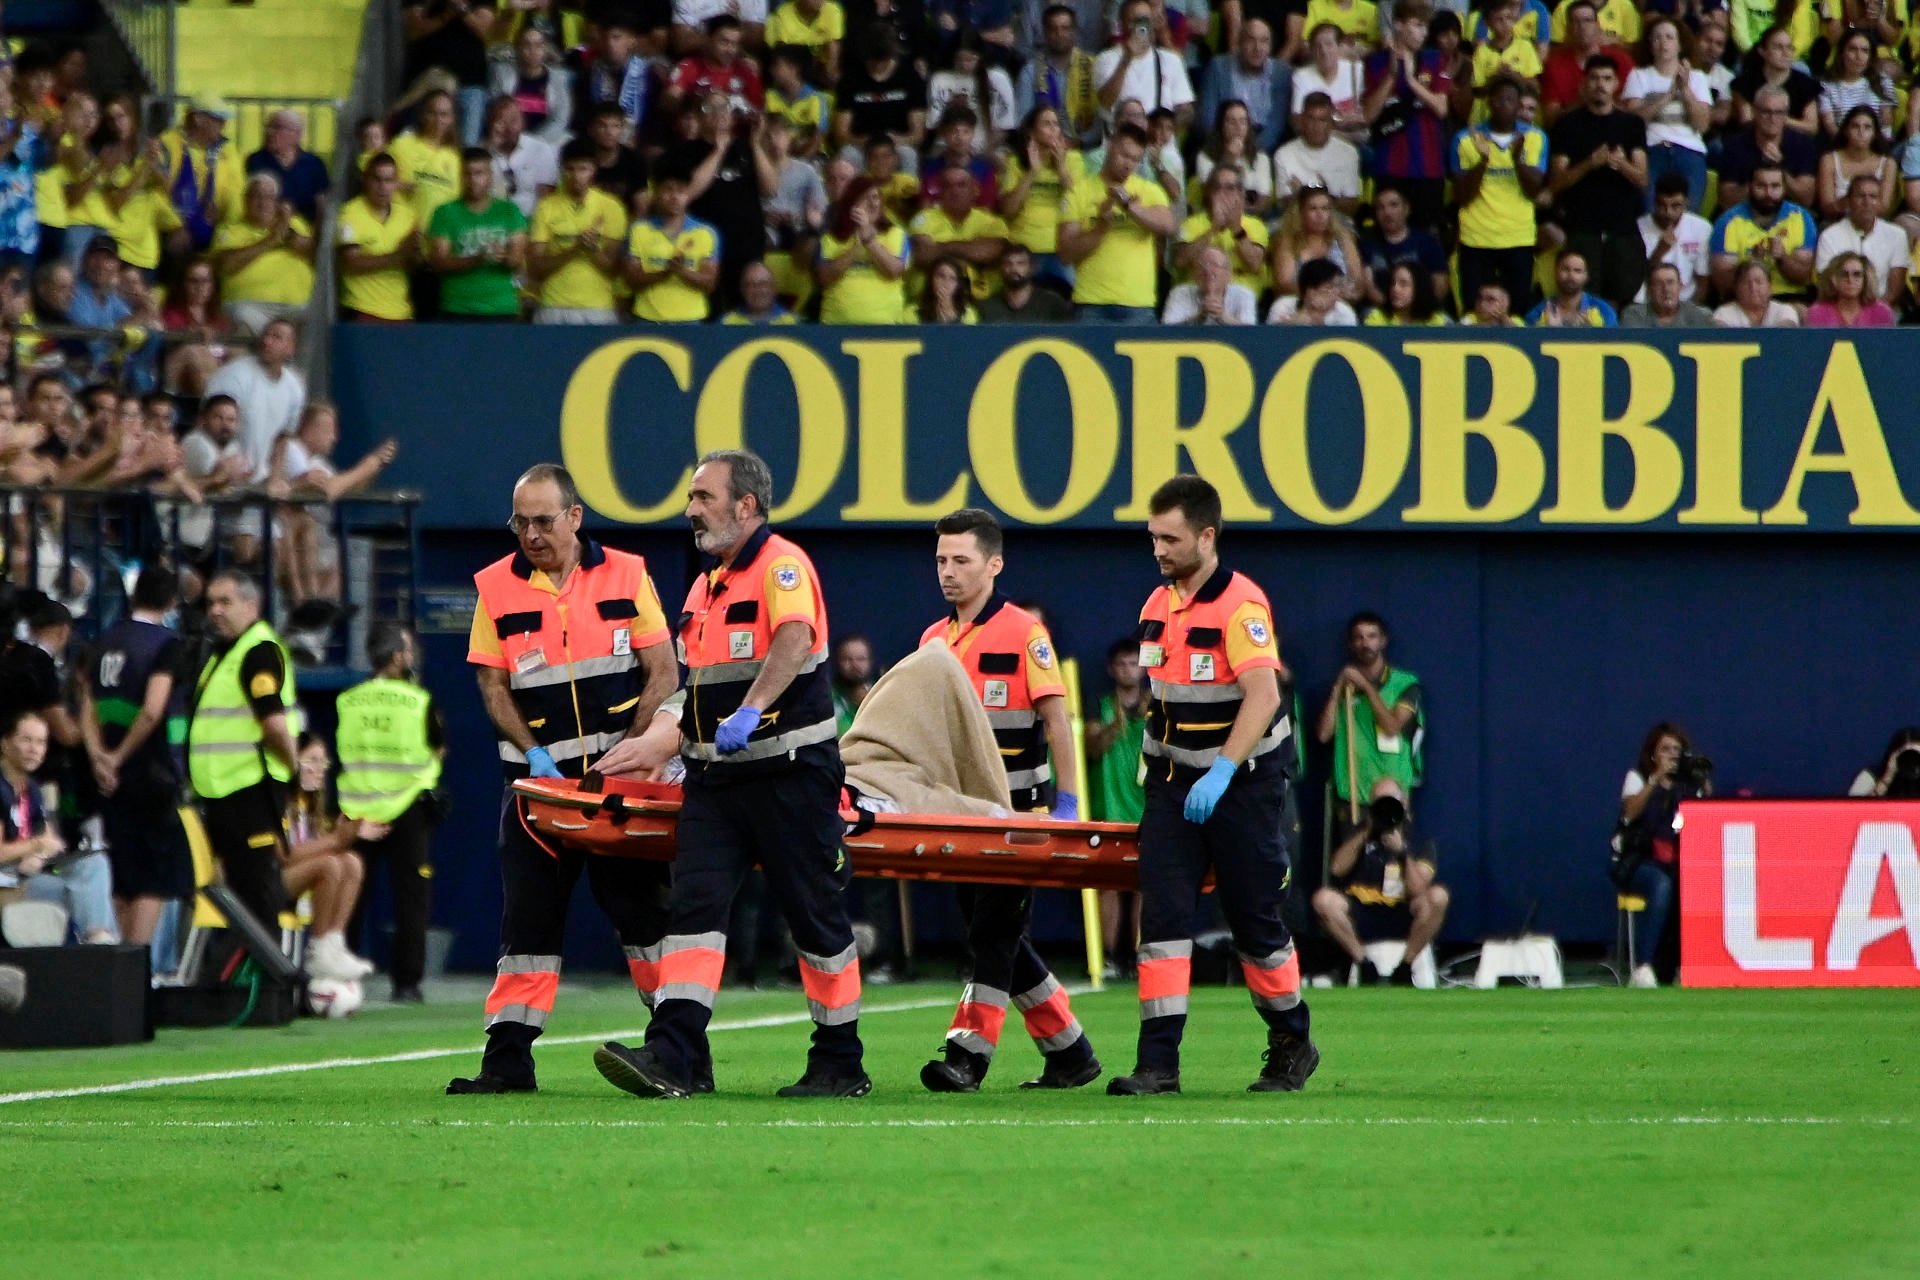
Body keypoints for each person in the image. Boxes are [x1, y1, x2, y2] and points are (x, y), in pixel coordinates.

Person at [594, 449, 873, 1100]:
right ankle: (674, 1055)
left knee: (813, 918)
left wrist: (750, 712)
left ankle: (840, 1060)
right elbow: (694, 689)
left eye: (703, 497)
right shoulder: (705, 586)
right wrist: (663, 744)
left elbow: (795, 638)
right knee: (693, 911)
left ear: (746, 506)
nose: (690, 510)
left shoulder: (782, 564)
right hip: (715, 781)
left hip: (790, 772)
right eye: (692, 498)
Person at [447, 463, 679, 1095]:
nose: (530, 534)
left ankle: (677, 1045)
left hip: (615, 787)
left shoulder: (627, 573)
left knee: (642, 912)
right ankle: (508, 1060)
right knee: (528, 922)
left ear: (575, 517)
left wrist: (634, 747)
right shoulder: (495, 586)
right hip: (537, 790)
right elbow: (492, 684)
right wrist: (533, 752)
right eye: (519, 522)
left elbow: (663, 669)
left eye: (543, 520)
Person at [1107, 475, 1318, 1096]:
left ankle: (1291, 1040)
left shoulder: (1241, 606)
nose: (1159, 550)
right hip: (1174, 787)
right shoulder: (1156, 606)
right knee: (1164, 925)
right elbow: (1160, 697)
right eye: (1152, 538)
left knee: (1255, 922)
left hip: (1244, 785)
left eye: (1170, 539)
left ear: (1206, 535)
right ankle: (1157, 1064)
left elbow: (1263, 694)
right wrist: (1156, 769)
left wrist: (1224, 769)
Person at [916, 507, 1098, 1093]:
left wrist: (1066, 803)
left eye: (961, 560)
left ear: (994, 564)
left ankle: (967, 1055)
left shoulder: (1024, 632)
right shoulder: (932, 640)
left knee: (991, 933)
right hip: (963, 815)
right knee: (999, 936)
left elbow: (1057, 719)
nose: (948, 571)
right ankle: (1070, 1051)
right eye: (941, 559)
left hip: (1020, 816)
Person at [77, 565, 192, 955]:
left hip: (107, 781)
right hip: (151, 775)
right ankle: (136, 967)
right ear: (172, 601)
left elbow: (87, 706)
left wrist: (99, 759)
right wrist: (120, 757)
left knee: (121, 874)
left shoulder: (103, 641)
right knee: (153, 879)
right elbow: (152, 710)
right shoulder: (167, 645)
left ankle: (117, 970)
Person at [186, 571, 302, 938]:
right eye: (211, 603)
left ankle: (269, 991)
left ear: (252, 605)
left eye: (226, 602)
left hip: (249, 793)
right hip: (224, 794)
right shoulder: (227, 653)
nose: (215, 611)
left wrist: (293, 769)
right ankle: (245, 987)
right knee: (238, 896)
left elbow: (274, 724)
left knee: (256, 895)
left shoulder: (258, 651)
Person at [334, 623, 444, 1003]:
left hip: (358, 808)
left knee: (347, 894)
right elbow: (437, 747)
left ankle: (337, 975)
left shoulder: (347, 699)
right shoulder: (417, 701)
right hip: (407, 805)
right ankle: (407, 983)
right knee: (411, 898)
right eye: (407, 651)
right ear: (398, 656)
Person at [1, 708, 117, 943]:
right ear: (5, 744)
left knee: (94, 865)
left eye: (41, 742)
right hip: (7, 882)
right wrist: (35, 846)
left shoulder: (31, 788)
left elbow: (50, 841)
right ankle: (101, 946)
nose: (34, 749)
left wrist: (39, 854)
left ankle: (101, 939)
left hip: (30, 873)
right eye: (26, 740)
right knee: (81, 894)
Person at [1316, 778, 1448, 984]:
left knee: (1439, 897)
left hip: (1402, 911)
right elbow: (1337, 870)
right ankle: (1364, 964)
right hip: (1363, 911)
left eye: (1391, 801)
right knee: (1323, 900)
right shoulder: (1359, 831)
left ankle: (1405, 967)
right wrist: (1366, 832)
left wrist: (1402, 852)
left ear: (1403, 802)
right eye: (1379, 801)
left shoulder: (1419, 837)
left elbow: (1419, 890)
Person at [1549, 56, 1649, 310]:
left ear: (1616, 83)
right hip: (1582, 224)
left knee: (1623, 293)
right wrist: (1589, 164)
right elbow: (1557, 182)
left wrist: (1620, 163)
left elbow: (1642, 179)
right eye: (1594, 78)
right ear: (1584, 83)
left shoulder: (1632, 125)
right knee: (1583, 296)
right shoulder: (1566, 124)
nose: (1600, 85)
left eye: (1606, 79)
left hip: (1622, 224)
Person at [1316, 610, 1423, 839]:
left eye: (1372, 636)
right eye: (1358, 637)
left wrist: (1366, 687)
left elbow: (1393, 727)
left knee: (1393, 868)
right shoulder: (1345, 689)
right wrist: (1336, 691)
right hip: (1353, 797)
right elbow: (1324, 735)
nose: (1365, 643)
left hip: (1392, 796)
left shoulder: (1405, 684)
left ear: (1383, 640)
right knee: (1352, 872)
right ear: (1351, 643)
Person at [1055, 122, 1172, 322]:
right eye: (1124, 155)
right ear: (1109, 147)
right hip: (1091, 303)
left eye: (1135, 159)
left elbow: (1168, 226)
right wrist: (1100, 228)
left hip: (1139, 305)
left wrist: (1130, 207)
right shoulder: (1078, 192)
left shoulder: (1150, 191)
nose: (1128, 164)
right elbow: (1065, 253)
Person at [283, 733, 375, 981]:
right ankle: (318, 949)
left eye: (323, 763)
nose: (319, 770)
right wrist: (335, 840)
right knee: (329, 865)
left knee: (352, 862)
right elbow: (285, 856)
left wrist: (346, 836)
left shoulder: (312, 806)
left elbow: (322, 846)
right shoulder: (279, 799)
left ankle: (333, 943)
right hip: (268, 879)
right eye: (311, 761)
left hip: (294, 876)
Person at [1453, 74, 1548, 314]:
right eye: (1498, 99)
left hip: (1518, 237)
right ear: (1489, 102)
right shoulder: (1465, 139)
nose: (1503, 104)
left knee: (1517, 312)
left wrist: (1518, 161)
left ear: (1519, 105)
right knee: (1474, 312)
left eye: (1510, 100)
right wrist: (1484, 161)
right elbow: (1462, 196)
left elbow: (1533, 190)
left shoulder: (1535, 138)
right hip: (1476, 238)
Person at [1615, 722, 1699, 987]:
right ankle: (1643, 967)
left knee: (1693, 885)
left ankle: (1686, 966)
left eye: (1676, 749)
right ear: (1653, 754)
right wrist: (1655, 780)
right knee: (1662, 884)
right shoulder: (1637, 777)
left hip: (1676, 862)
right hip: (1637, 863)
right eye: (1665, 749)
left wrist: (1702, 793)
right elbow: (1629, 814)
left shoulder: (1687, 786)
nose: (1671, 754)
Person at [1362, 0, 1456, 233]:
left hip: (1428, 166)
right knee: (1389, 235)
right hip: (1389, 165)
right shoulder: (1375, 63)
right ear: (1398, 25)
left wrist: (1412, 82)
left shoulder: (1435, 60)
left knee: (1428, 235)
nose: (1423, 32)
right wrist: (1392, 77)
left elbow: (1441, 108)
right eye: (1417, 25)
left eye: (1425, 26)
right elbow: (1368, 115)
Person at [1085, 638, 1145, 977]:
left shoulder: (1156, 705)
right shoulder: (1101, 704)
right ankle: (1108, 956)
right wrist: (1117, 723)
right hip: (1108, 804)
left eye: (1133, 663)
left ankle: (1137, 956)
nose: (1128, 670)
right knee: (1107, 884)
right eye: (1121, 664)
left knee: (1143, 885)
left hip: (1144, 807)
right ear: (1112, 669)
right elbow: (1092, 748)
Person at [528, 140, 629, 323]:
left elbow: (614, 269)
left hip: (598, 308)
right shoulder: (546, 207)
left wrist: (591, 249)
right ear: (561, 170)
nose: (576, 176)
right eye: (570, 169)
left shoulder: (612, 207)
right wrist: (575, 249)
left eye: (583, 169)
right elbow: (536, 268)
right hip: (553, 306)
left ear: (594, 170)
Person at [1622, 17, 1711, 213]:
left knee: (1688, 214)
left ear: (1680, 44)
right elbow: (1633, 121)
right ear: (1650, 45)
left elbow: (1702, 125)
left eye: (1669, 37)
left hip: (1689, 151)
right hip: (1652, 149)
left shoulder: (1697, 78)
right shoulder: (1639, 75)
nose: (1663, 43)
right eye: (1656, 38)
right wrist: (1670, 94)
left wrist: (1685, 90)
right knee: (1649, 212)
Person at [429, 146, 528, 320]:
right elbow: (439, 263)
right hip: (457, 309)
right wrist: (477, 259)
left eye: (479, 173)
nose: (473, 180)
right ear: (461, 177)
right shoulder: (444, 212)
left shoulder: (510, 211)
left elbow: (518, 260)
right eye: (467, 174)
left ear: (490, 176)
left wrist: (502, 256)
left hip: (501, 308)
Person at [204, 317, 305, 484]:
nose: (267, 341)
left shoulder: (295, 387)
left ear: (291, 348)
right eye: (266, 335)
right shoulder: (233, 376)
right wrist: (225, 468)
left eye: (276, 337)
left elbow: (284, 436)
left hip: (259, 479)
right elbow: (209, 425)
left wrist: (276, 477)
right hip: (222, 475)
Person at [211, 173, 315, 336]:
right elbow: (227, 265)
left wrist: (285, 230)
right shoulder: (230, 230)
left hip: (297, 308)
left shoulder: (295, 224)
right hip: (248, 307)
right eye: (257, 196)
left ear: (277, 202)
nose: (263, 203)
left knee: (314, 325)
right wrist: (272, 240)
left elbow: (312, 251)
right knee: (240, 321)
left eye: (269, 197)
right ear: (245, 200)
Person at [626, 159, 721, 322]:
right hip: (648, 320)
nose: (675, 197)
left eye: (681, 191)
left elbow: (709, 284)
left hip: (690, 322)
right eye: (668, 190)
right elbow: (631, 279)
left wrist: (681, 271)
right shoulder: (638, 230)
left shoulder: (705, 233)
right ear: (656, 192)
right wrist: (664, 273)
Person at [1708, 161, 1815, 301]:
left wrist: (1782, 258)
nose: (1768, 193)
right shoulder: (1727, 222)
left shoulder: (1801, 218)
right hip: (1742, 300)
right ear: (1750, 186)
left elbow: (1804, 278)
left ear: (1784, 188)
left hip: (1789, 299)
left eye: (1775, 186)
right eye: (1761, 186)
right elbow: (1723, 284)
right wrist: (1752, 263)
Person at [336, 153, 421, 322]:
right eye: (377, 179)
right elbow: (351, 262)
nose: (383, 187)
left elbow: (415, 264)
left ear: (396, 183)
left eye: (389, 180)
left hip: (401, 313)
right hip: (361, 309)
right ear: (366, 180)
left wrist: (415, 255)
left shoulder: (408, 216)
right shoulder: (350, 213)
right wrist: (399, 255)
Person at [1093, 0, 1196, 134]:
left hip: (1160, 144)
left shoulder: (1171, 60)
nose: (1141, 26)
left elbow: (1186, 110)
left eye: (1146, 20)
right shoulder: (1106, 59)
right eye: (1135, 21)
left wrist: (1164, 128)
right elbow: (1105, 102)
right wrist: (1126, 59)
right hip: (1120, 140)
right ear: (1122, 24)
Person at [403, 0, 499, 143]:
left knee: (468, 144)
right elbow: (414, 30)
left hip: (470, 82)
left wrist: (461, 9)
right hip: (427, 80)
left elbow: (485, 31)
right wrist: (447, 13)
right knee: (419, 140)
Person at [909, 164, 1009, 298]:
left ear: (975, 189)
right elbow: (923, 255)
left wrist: (942, 247)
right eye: (947, 186)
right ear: (940, 191)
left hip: (981, 301)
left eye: (961, 185)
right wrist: (972, 249)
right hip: (930, 300)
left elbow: (991, 253)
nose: (955, 191)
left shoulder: (992, 222)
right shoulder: (923, 218)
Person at [816, 175, 908, 322]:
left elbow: (893, 271)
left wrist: (869, 241)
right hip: (836, 327)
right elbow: (825, 278)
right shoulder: (832, 237)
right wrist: (855, 248)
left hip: (886, 328)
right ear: (852, 203)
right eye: (865, 198)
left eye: (876, 197)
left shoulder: (896, 233)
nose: (872, 203)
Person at [1715, 87, 1817, 215]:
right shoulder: (1735, 144)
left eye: (1779, 113)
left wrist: (1780, 168)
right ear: (1755, 112)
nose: (1772, 118)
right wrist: (1757, 178)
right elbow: (1726, 201)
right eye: (1766, 112)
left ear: (1786, 115)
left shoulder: (1803, 144)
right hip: (1743, 214)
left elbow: (1805, 199)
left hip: (1789, 214)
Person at [1197, 19, 1290, 153]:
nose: (1257, 48)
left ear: (1270, 46)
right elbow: (1207, 120)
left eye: (1264, 41)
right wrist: (1228, 150)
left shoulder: (1281, 73)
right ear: (1239, 43)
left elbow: (1275, 126)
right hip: (1222, 142)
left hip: (1263, 147)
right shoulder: (1218, 67)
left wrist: (1251, 153)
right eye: (1251, 40)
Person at [1173, 166, 1268, 297]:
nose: (1222, 193)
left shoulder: (1255, 225)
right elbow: (1180, 261)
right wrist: (1214, 228)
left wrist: (1236, 228)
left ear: (1240, 193)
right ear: (1209, 192)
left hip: (1239, 294)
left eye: (1229, 188)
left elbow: (1254, 264)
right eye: (1217, 187)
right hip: (1199, 292)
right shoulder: (1191, 223)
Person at [1815, 173, 1906, 306]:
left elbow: (1894, 289)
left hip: (1883, 310)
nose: (1867, 202)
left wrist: (1873, 313)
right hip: (1839, 310)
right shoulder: (1829, 236)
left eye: (1873, 197)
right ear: (1848, 201)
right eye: (1860, 196)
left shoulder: (1897, 235)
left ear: (1880, 202)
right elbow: (1826, 283)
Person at [1014, 5, 1100, 144]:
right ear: (1045, 33)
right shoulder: (1030, 71)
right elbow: (1024, 121)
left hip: (1084, 149)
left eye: (1065, 28)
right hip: (1042, 147)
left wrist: (1077, 142)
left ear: (1074, 32)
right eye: (1053, 29)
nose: (1059, 34)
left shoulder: (1094, 66)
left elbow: (1100, 118)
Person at [1539, 1, 1632, 128]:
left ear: (1598, 26)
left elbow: (1632, 109)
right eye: (1575, 21)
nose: (1582, 27)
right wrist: (1582, 100)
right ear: (1568, 29)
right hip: (1574, 133)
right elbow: (1551, 120)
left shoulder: (1621, 59)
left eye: (1587, 20)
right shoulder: (1554, 65)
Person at [1357, 182, 1448, 309]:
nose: (1387, 212)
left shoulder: (1427, 242)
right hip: (1381, 311)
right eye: (1380, 207)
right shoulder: (1366, 243)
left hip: (1421, 310)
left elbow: (1440, 285)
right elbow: (1368, 286)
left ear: (1406, 209)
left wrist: (1414, 311)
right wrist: (1393, 310)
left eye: (1393, 205)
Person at [1275, 91, 1363, 216]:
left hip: (1337, 221)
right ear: (1302, 121)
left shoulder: (1349, 153)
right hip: (1296, 221)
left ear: (1331, 122)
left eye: (1322, 120)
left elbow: (1351, 207)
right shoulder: (1283, 155)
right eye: (1311, 119)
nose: (1316, 126)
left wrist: (1322, 195)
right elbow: (1283, 206)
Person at [1269, 184, 1359, 298]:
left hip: (1340, 303)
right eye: (1313, 209)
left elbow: (1358, 282)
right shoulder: (1288, 241)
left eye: (1325, 208)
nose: (1320, 215)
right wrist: (1320, 292)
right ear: (1301, 213)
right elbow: (1283, 285)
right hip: (1299, 304)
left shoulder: (1344, 239)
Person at [1729, 25, 1819, 138]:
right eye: (1778, 47)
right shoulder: (1745, 82)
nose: (1785, 53)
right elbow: (1746, 120)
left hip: (1794, 141)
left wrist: (1779, 119)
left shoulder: (1806, 84)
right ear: (1762, 51)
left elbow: (1811, 127)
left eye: (1789, 47)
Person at [490, 25, 573, 146]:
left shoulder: (558, 78)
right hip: (509, 139)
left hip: (545, 141)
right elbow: (495, 110)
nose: (532, 50)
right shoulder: (503, 74)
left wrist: (533, 142)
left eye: (538, 45)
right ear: (517, 47)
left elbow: (560, 119)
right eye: (526, 45)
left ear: (545, 49)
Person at [1635, 171, 1710, 305]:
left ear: (1687, 203)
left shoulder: (1702, 228)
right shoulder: (1638, 227)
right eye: (1662, 205)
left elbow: (1703, 281)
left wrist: (1687, 313)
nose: (1668, 213)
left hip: (1687, 303)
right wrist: (1659, 252)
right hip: (1648, 304)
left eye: (1675, 206)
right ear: (1654, 202)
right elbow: (1636, 281)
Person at [244, 111, 331, 224]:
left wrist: (317, 236)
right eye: (268, 126)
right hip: (269, 226)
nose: (269, 132)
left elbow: (322, 202)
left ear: (296, 134)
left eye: (277, 127)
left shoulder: (313, 163)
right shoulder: (256, 161)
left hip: (307, 228)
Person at [1817, 106, 1899, 224]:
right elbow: (1826, 206)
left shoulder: (1888, 164)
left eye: (1867, 127)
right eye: (1855, 126)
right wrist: (1856, 203)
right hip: (1837, 222)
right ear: (1846, 131)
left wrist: (1855, 204)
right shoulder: (1828, 160)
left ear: (1875, 133)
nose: (1861, 132)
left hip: (1874, 223)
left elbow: (1884, 207)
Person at [1290, 23, 1368, 146]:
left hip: (1358, 141)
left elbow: (1369, 113)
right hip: (1321, 143)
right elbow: (1298, 123)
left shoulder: (1356, 70)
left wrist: (1326, 125)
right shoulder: (1302, 76)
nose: (1324, 51)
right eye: (1317, 46)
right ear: (1311, 50)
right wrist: (1342, 129)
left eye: (1329, 45)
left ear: (1339, 46)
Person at [484, 96, 559, 221]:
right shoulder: (482, 153)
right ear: (491, 124)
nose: (508, 128)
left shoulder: (540, 149)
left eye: (513, 121)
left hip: (531, 219)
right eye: (501, 121)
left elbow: (547, 198)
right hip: (494, 221)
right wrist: (491, 149)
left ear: (523, 122)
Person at [978, 242, 1074, 321]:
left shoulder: (1052, 303)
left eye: (1021, 263)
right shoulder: (987, 306)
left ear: (1031, 268)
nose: (1014, 269)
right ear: (1000, 268)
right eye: (1008, 263)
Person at [1526, 247, 1618, 325]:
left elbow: (1617, 343)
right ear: (1556, 272)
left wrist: (1592, 334)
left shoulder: (1604, 311)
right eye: (1565, 269)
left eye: (1577, 271)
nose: (1571, 275)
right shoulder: (1539, 312)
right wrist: (1550, 332)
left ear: (1586, 276)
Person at [1805, 251, 1895, 327]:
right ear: (1833, 279)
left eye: (1857, 274)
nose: (1850, 280)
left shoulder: (1881, 312)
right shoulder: (1817, 313)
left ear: (1866, 279)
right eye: (1844, 274)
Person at [1712, 256, 1801, 327]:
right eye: (1746, 282)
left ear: (1770, 287)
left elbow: (1785, 336)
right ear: (1736, 288)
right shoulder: (1724, 314)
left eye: (1758, 282)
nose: (1753, 288)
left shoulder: (1784, 310)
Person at [1621, 259, 1713, 326]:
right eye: (1658, 283)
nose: (1666, 289)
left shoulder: (1696, 314)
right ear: (1649, 289)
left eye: (1671, 282)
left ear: (1680, 286)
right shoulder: (1634, 315)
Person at [1268, 255, 1358, 322]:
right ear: (1311, 291)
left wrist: (1318, 318)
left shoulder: (1343, 312)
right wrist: (1298, 319)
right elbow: (1269, 338)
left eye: (1338, 286)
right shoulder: (1283, 305)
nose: (1337, 292)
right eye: (1330, 287)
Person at [1365, 259, 1448, 323]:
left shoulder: (1435, 320)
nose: (1395, 289)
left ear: (1419, 288)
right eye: (1392, 283)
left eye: (1403, 284)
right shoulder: (1377, 317)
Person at [1849, 728, 1920, 797]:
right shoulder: (1871, 775)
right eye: (1905, 755)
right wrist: (1887, 777)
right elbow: (1854, 807)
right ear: (1892, 754)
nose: (1911, 758)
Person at [722, 260, 799, 322]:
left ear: (773, 288)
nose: (758, 290)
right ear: (742, 289)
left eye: (763, 284)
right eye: (751, 285)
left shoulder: (793, 323)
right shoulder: (726, 323)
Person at [914, 255, 978, 320]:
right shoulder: (913, 313)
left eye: (952, 278)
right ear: (931, 279)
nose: (946, 283)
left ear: (958, 285)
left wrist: (947, 309)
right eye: (941, 276)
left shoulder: (968, 314)